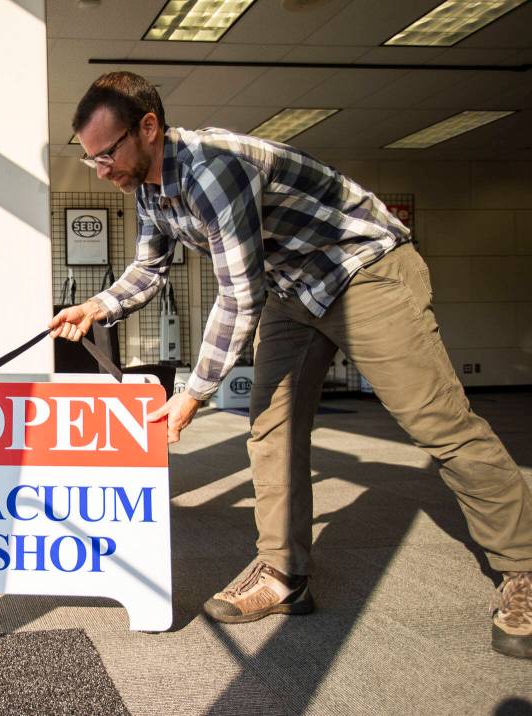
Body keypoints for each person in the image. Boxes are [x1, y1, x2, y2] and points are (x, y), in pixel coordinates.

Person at [49, 71, 531, 659]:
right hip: (295, 290)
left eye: (108, 153)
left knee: (438, 424)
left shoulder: (212, 168)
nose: (101, 169)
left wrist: (195, 392)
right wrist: (98, 305)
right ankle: (282, 574)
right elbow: (150, 267)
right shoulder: (148, 187)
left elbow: (237, 295)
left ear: (148, 127)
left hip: (363, 271)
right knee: (270, 425)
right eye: (90, 158)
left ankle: (525, 567)